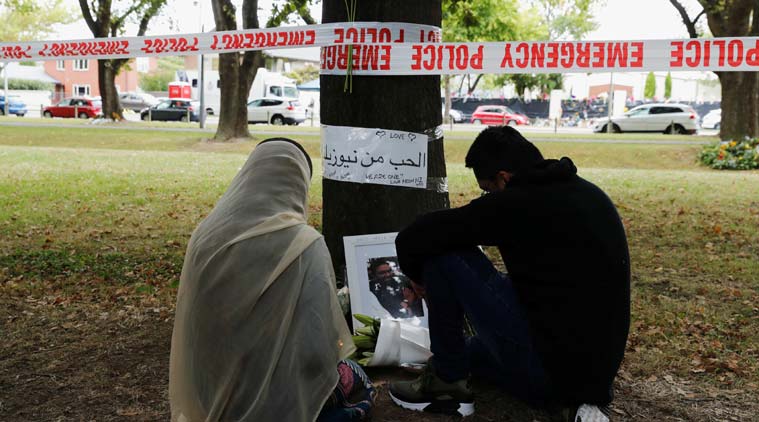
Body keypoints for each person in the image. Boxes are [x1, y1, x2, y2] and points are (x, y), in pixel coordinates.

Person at [389, 126, 630, 421]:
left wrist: (416, 276)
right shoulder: (589, 194)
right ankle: (459, 364)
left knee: (443, 253)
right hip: (591, 377)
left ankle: (447, 383)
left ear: (503, 178)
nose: (488, 197)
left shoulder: (518, 203)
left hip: (547, 370)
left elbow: (416, 235)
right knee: (471, 352)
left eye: (487, 190)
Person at [169, 138, 374, 422]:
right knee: (357, 377)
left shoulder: (204, 238)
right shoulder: (304, 245)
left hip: (210, 394)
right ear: (299, 184)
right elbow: (317, 350)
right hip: (279, 401)